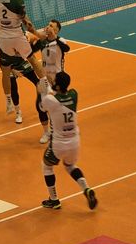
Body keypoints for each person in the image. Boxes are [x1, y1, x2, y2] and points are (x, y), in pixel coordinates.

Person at [0, 0, 48, 120]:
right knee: (32, 59)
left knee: (5, 71)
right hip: (17, 36)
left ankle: (8, 101)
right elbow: (26, 22)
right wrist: (35, 32)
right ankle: (46, 85)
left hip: (3, 39)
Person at [38, 71, 98, 210]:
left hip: (59, 143)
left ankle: (54, 200)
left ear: (58, 86)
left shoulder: (50, 100)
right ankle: (86, 188)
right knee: (70, 166)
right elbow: (57, 97)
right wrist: (50, 90)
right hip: (74, 141)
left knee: (46, 166)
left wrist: (42, 91)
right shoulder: (73, 94)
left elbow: (42, 107)